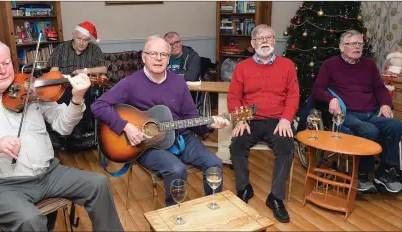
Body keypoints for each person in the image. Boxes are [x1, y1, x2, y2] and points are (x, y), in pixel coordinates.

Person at [0, 39, 123, 232]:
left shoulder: (31, 89)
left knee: (98, 184)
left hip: (49, 174)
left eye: (6, 63)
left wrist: (77, 98)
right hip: (0, 185)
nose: (3, 71)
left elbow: (63, 127)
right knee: (29, 219)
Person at [92, 35, 229, 207]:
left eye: (163, 54)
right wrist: (125, 126)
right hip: (147, 144)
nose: (158, 58)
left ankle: (214, 207)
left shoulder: (178, 82)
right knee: (176, 169)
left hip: (180, 136)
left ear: (169, 57)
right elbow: (99, 105)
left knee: (214, 163)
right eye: (153, 53)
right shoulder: (130, 83)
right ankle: (173, 213)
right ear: (144, 57)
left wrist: (209, 124)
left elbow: (191, 115)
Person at [312, 30, 402, 193]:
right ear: (342, 47)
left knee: (395, 125)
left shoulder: (369, 65)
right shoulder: (330, 65)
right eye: (353, 43)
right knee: (369, 130)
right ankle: (362, 173)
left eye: (360, 43)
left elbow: (379, 89)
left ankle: (385, 172)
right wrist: (331, 99)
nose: (357, 47)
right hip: (347, 114)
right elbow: (317, 89)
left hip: (371, 113)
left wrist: (385, 104)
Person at [227, 24, 299, 223]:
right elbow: (234, 96)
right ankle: (244, 188)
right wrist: (240, 119)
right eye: (260, 38)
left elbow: (293, 95)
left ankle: (275, 197)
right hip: (249, 118)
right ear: (252, 43)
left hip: (278, 120)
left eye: (269, 37)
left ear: (275, 41)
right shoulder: (242, 67)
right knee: (237, 144)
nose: (265, 41)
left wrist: (286, 119)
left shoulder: (287, 65)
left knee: (286, 146)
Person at [48, 21, 107, 146]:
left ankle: (77, 133)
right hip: (64, 86)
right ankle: (61, 133)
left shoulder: (94, 49)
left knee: (89, 95)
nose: (81, 43)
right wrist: (60, 80)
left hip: (85, 87)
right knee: (60, 97)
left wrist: (86, 71)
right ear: (72, 36)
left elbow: (103, 69)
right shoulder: (61, 48)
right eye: (79, 39)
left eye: (85, 40)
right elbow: (53, 71)